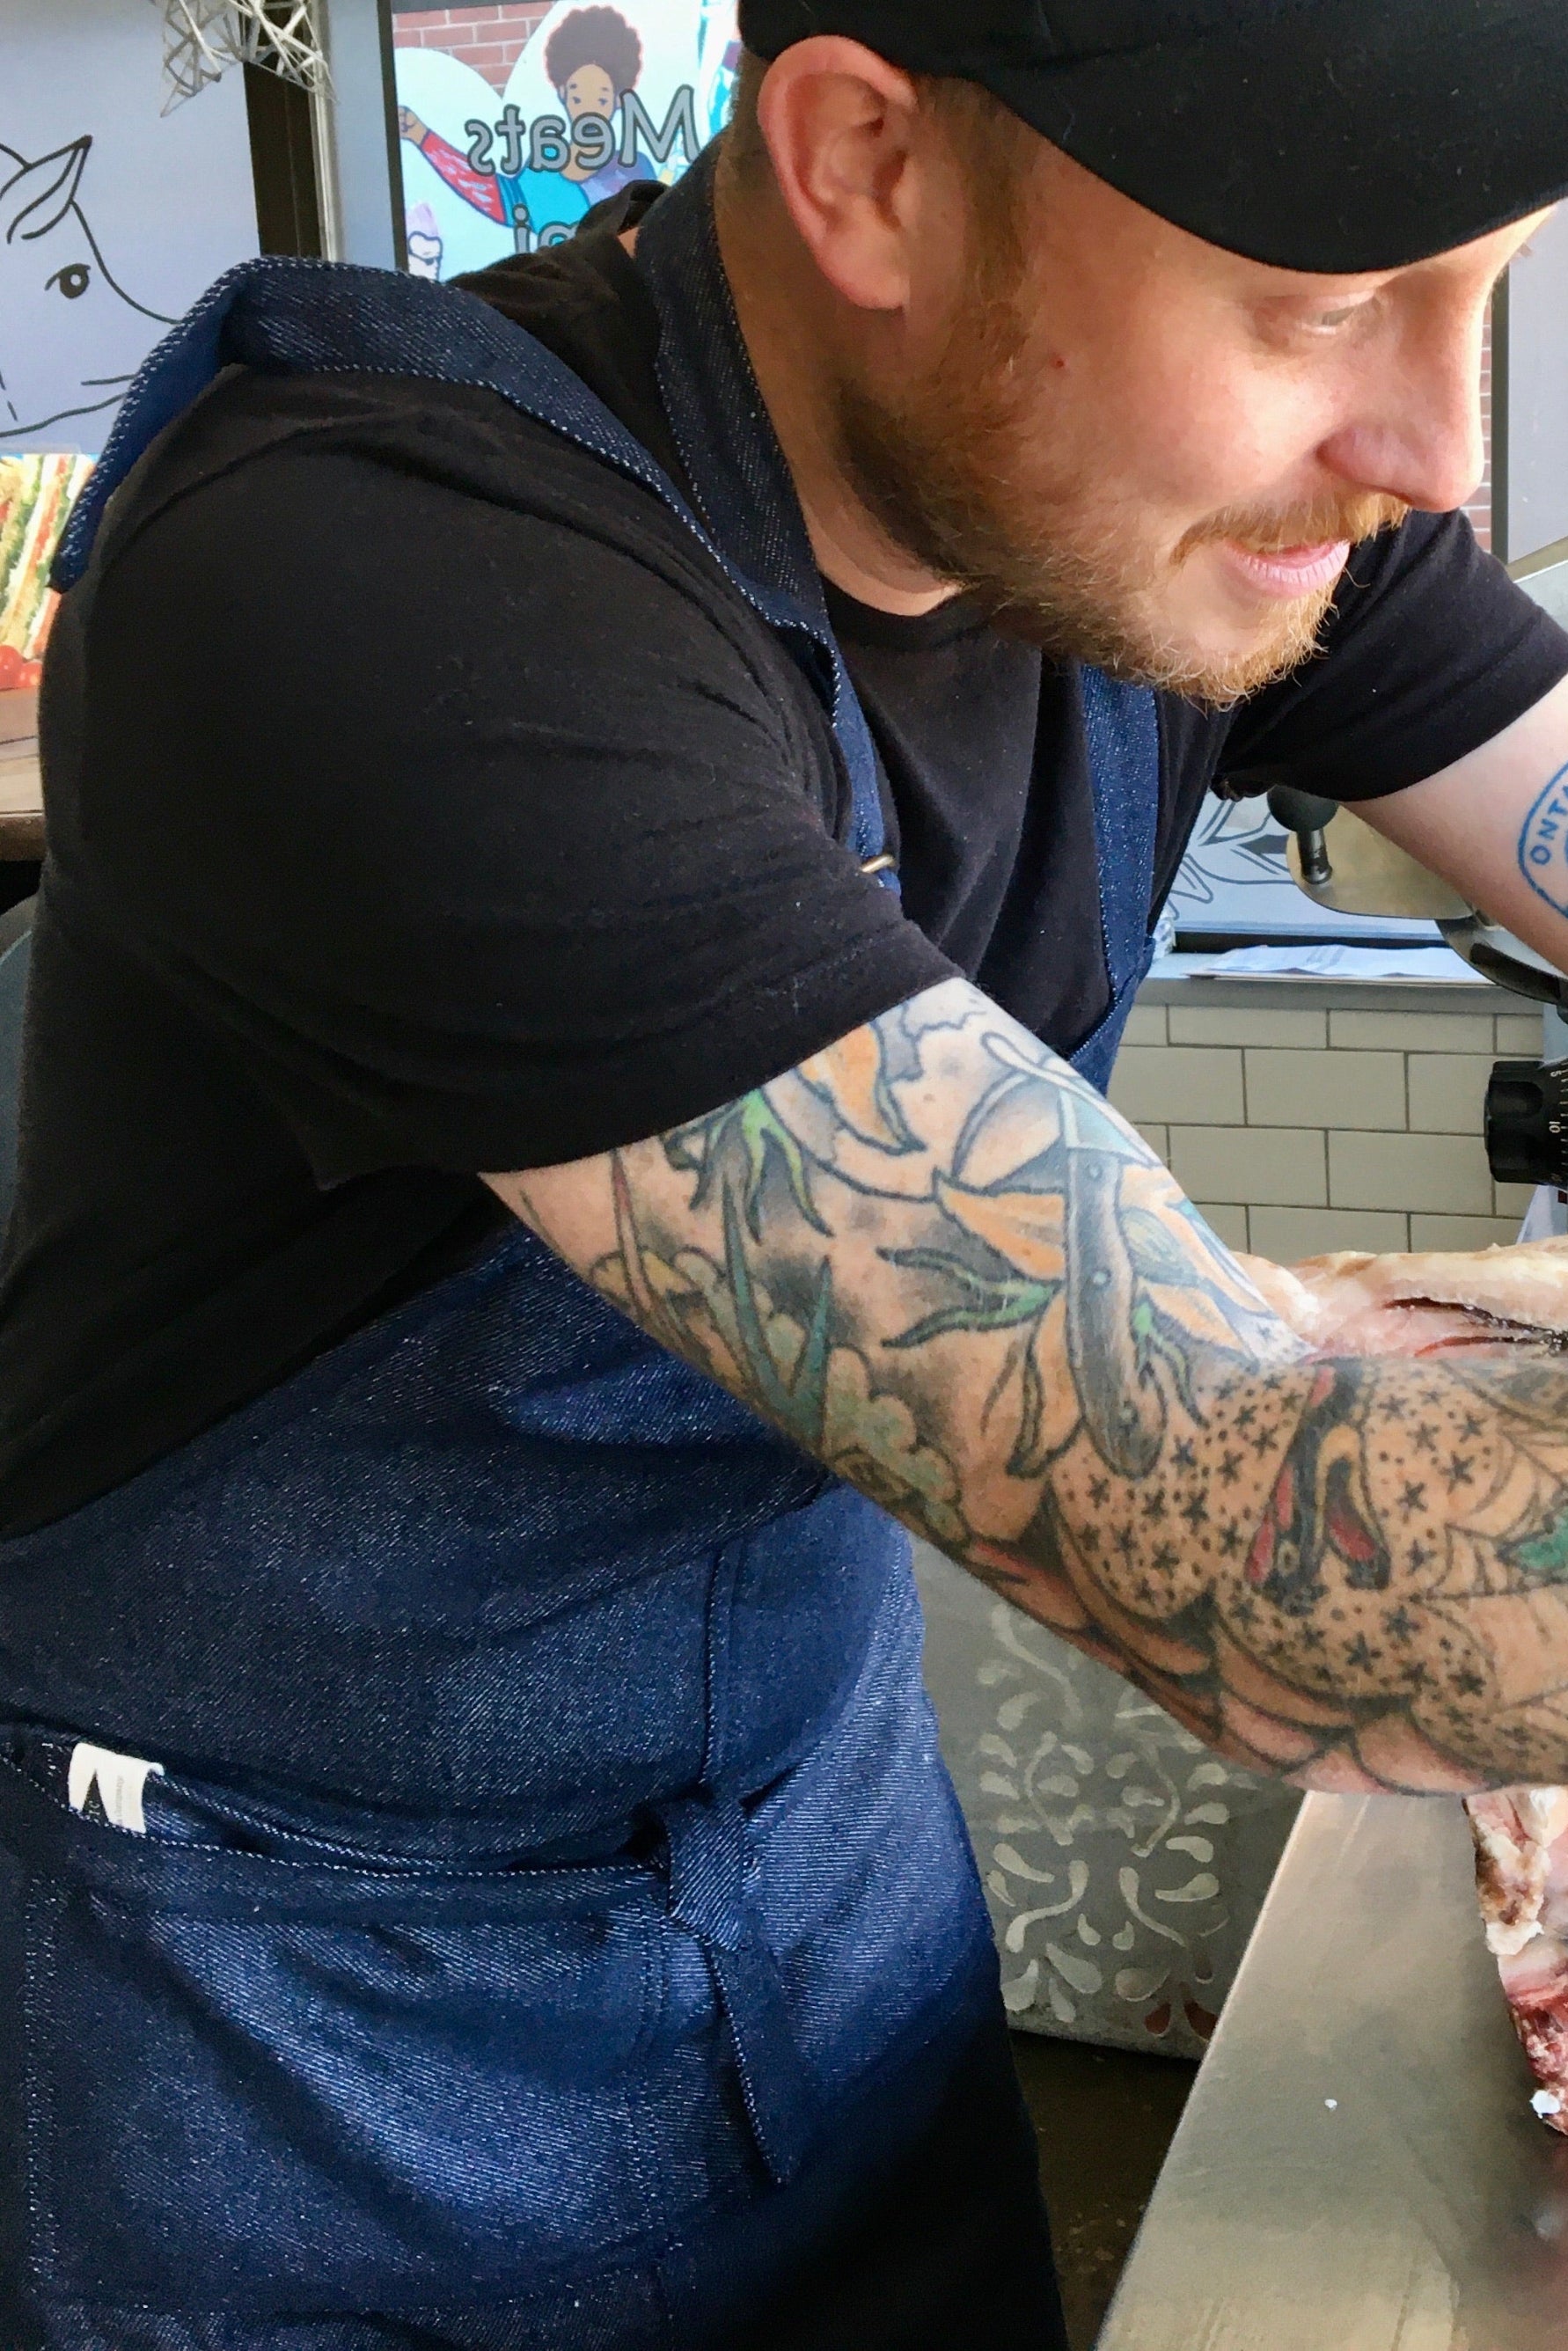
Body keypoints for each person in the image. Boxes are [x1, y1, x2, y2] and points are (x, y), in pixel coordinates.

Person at [4, 1, 1568, 2342]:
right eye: (1320, 301)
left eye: (1487, 285)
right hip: (286, 2020)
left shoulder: (1173, 500)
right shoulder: (380, 580)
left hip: (810, 1887)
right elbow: (1254, 1536)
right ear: (868, 171)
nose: (1433, 451)